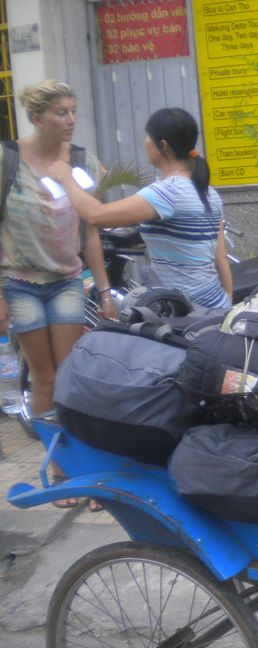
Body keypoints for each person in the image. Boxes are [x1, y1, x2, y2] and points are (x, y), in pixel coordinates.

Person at [1, 80, 116, 507]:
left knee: (71, 375)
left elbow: (91, 232)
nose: (70, 120)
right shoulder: (7, 160)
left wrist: (104, 290)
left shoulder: (83, 162)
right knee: (44, 376)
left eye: (73, 111)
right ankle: (58, 469)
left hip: (68, 279)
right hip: (19, 281)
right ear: (37, 117)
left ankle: (85, 467)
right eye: (61, 113)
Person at [50, 107, 232, 310]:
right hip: (215, 302)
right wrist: (227, 306)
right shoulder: (208, 192)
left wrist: (66, 178)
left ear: (162, 146)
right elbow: (221, 260)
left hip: (184, 310)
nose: (145, 142)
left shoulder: (167, 193)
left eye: (148, 136)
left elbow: (96, 216)